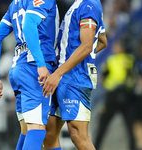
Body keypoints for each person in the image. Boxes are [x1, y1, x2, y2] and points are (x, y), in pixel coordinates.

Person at [0, 0, 59, 150]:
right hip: (34, 69)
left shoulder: (15, 4)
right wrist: (41, 64)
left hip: (18, 69)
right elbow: (28, 26)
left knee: (27, 131)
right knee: (37, 130)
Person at [42, 0, 107, 149]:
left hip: (75, 78)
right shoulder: (80, 4)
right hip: (63, 75)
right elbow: (102, 41)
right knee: (49, 133)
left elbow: (87, 45)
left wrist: (59, 72)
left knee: (78, 134)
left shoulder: (88, 5)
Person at [93, 41, 137, 150]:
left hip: (115, 96)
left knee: (103, 125)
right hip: (126, 95)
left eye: (118, 45)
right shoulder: (130, 59)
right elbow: (133, 77)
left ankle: (95, 147)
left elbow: (102, 78)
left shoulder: (111, 60)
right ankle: (133, 147)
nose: (115, 47)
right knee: (130, 125)